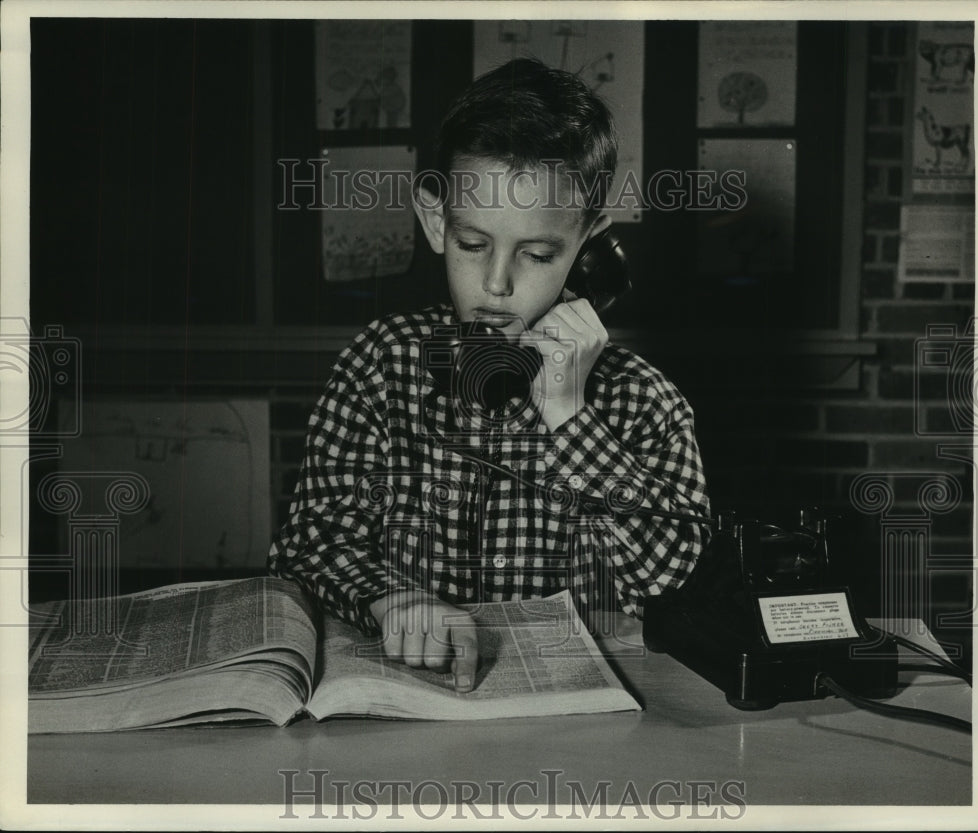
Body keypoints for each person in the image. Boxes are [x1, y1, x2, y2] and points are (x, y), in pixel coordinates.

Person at [268, 58, 711, 692]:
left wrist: (571, 417)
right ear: (434, 221)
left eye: (537, 254)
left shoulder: (646, 400)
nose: (497, 284)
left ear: (589, 249)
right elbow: (307, 543)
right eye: (474, 245)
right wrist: (391, 597)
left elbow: (680, 582)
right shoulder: (380, 365)